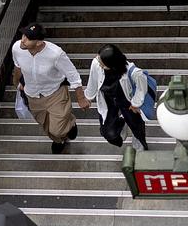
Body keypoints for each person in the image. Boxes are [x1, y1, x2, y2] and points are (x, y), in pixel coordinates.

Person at [12, 23, 90, 154]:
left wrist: (81, 98)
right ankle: (59, 141)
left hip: (55, 93)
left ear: (39, 43)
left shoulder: (56, 54)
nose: (23, 40)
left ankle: (70, 124)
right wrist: (16, 83)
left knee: (57, 129)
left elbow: (73, 76)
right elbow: (18, 67)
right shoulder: (17, 48)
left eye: (28, 38)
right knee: (45, 125)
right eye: (24, 35)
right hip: (33, 95)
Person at [83, 44, 149, 151]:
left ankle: (138, 139)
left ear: (112, 64)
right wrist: (88, 97)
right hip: (108, 99)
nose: (99, 63)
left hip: (127, 100)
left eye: (102, 63)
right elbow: (93, 80)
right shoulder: (96, 63)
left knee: (136, 123)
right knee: (108, 133)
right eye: (99, 59)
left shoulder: (134, 72)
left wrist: (135, 103)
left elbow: (142, 88)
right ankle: (122, 122)